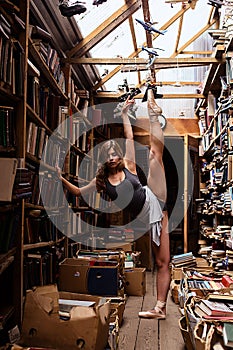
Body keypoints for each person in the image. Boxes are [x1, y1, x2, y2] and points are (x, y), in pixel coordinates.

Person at [56, 85, 170, 319]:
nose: (112, 156)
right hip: (150, 218)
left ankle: (153, 114)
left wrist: (126, 116)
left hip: (155, 198)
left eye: (114, 152)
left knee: (153, 156)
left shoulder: (128, 165)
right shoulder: (102, 182)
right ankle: (160, 309)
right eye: (107, 154)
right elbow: (78, 192)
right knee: (161, 262)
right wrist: (59, 178)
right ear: (104, 159)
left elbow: (129, 137)